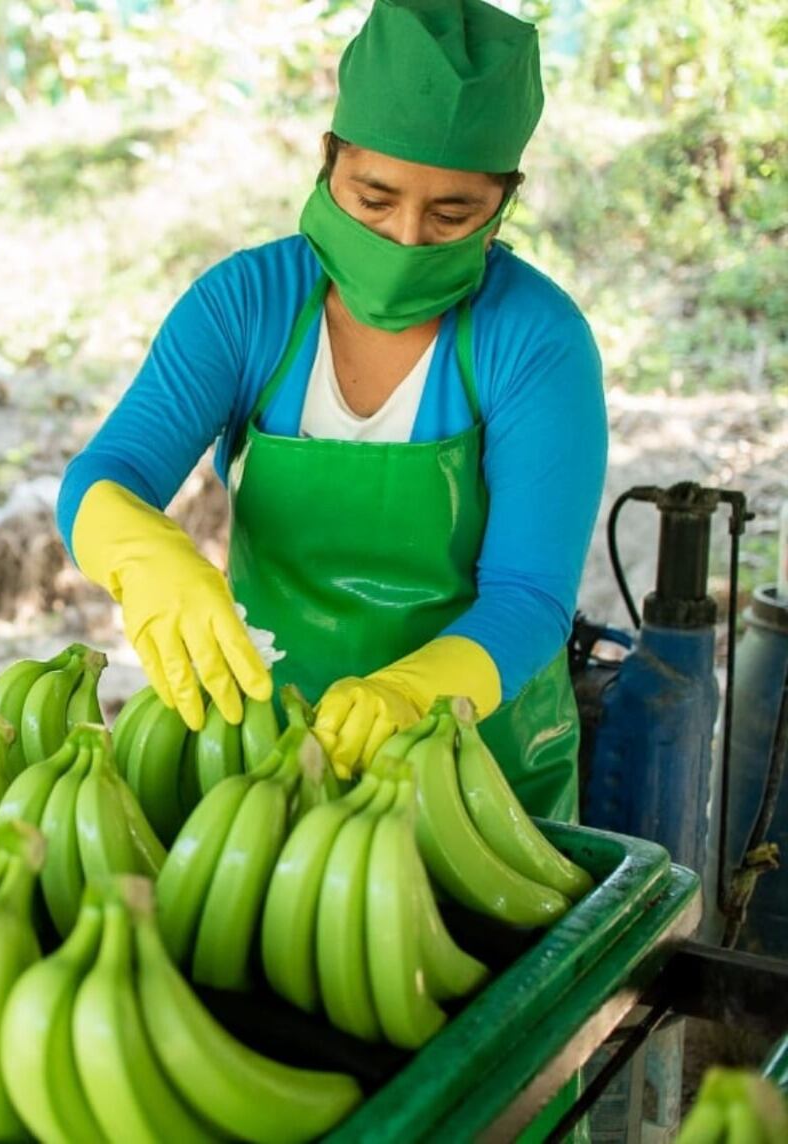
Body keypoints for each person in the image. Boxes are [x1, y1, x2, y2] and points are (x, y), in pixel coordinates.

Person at [59, 0, 607, 820]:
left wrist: (412, 695)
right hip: (264, 749)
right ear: (328, 161)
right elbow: (112, 472)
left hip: (475, 776)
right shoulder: (248, 304)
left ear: (504, 201)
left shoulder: (535, 341)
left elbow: (530, 596)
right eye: (374, 198)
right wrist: (143, 555)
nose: (406, 238)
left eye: (452, 213)